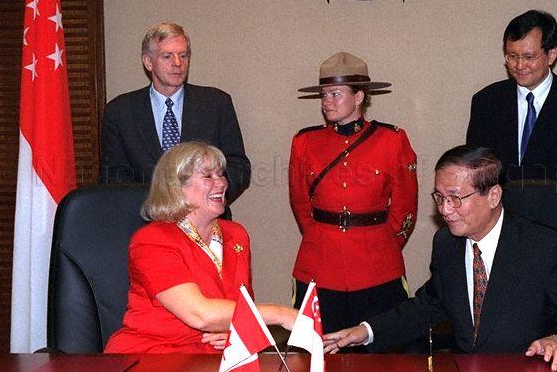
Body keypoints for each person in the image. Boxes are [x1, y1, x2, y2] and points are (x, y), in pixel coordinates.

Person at [324, 146, 557, 370]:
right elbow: (429, 305)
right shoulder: (447, 244)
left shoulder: (547, 249)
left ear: (493, 195)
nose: (445, 210)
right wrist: (365, 331)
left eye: (455, 198)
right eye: (439, 198)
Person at [105, 141, 296, 353]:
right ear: (175, 187)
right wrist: (281, 314)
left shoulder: (236, 235)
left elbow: (240, 309)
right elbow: (200, 315)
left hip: (217, 362)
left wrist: (241, 332)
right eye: (208, 176)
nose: (222, 183)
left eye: (221, 174)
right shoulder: (152, 240)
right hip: (155, 359)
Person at [289, 52, 418, 335]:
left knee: (383, 355)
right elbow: (300, 203)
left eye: (335, 94)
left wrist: (382, 244)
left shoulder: (392, 140)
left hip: (377, 265)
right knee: (317, 351)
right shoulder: (305, 142)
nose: (326, 102)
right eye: (324, 94)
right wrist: (323, 237)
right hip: (320, 264)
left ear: (359, 97)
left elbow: (405, 208)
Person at [99, 22, 251, 212]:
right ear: (148, 62)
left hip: (206, 220)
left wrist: (207, 197)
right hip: (145, 221)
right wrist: (161, 205)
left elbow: (238, 167)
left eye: (183, 55)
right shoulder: (120, 111)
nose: (177, 63)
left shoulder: (216, 104)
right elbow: (113, 176)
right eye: (167, 56)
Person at [466, 10, 557, 182]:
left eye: (529, 57)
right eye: (512, 56)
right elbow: (476, 172)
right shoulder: (486, 101)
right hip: (500, 207)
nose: (520, 65)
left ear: (551, 55)